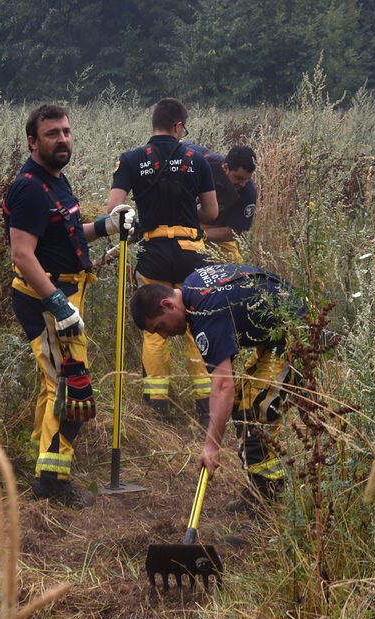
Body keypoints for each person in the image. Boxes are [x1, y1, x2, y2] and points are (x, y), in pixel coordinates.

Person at [4, 103, 135, 509]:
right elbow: (23, 254)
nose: (62, 139)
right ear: (32, 141)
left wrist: (108, 226)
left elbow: (69, 234)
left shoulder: (55, 182)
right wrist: (58, 305)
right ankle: (51, 483)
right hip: (45, 300)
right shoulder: (28, 188)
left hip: (63, 297)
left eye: (66, 131)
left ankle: (43, 464)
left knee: (55, 384)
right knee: (71, 389)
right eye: (52, 133)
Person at [128, 264, 308, 514]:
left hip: (298, 336)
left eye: (159, 327)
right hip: (276, 338)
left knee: (254, 413)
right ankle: (258, 492)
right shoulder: (191, 286)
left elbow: (223, 384)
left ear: (167, 305)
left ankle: (267, 508)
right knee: (242, 405)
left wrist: (211, 447)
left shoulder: (206, 311)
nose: (165, 336)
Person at [106, 98, 219, 425]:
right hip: (191, 255)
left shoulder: (130, 159)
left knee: (155, 329)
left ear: (154, 124)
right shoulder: (197, 160)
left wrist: (143, 222)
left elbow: (115, 211)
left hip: (152, 253)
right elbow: (211, 213)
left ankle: (156, 405)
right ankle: (205, 407)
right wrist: (187, 216)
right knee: (197, 326)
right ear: (178, 126)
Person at [182, 144, 258, 264]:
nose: (243, 184)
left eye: (247, 179)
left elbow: (233, 232)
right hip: (182, 222)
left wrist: (199, 235)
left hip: (214, 231)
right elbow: (178, 144)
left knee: (237, 270)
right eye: (239, 178)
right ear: (225, 167)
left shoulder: (248, 192)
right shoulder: (205, 161)